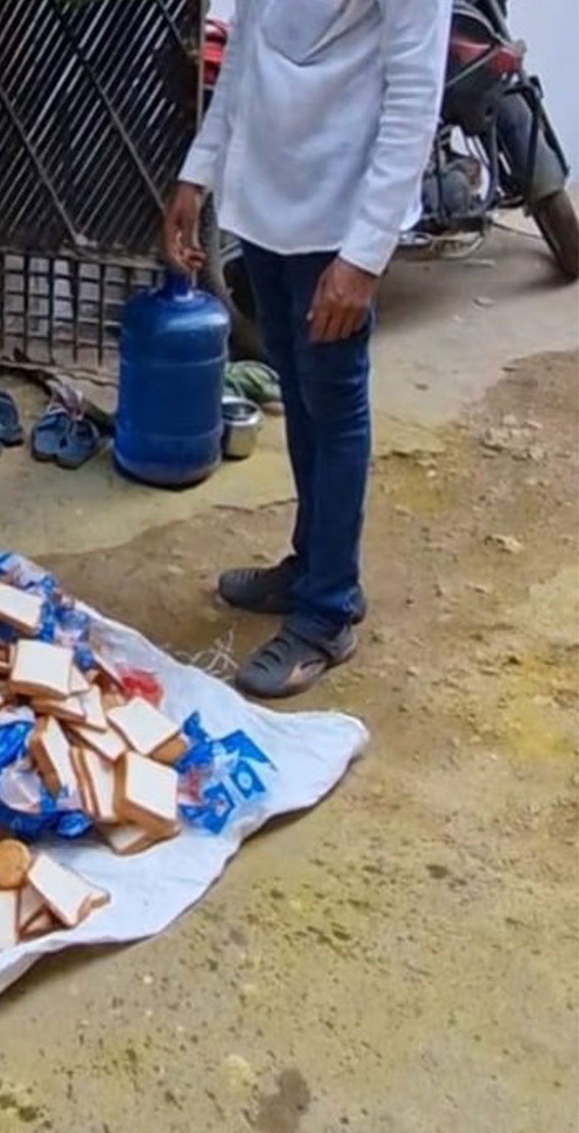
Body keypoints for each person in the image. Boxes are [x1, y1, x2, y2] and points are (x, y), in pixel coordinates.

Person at [163, 0, 449, 698]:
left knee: (334, 401)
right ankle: (311, 563)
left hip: (338, 214)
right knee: (300, 392)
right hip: (265, 201)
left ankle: (328, 611)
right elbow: (244, 56)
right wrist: (197, 174)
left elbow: (415, 98)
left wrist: (365, 254)